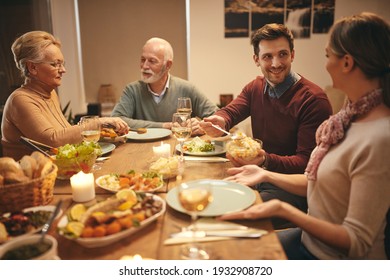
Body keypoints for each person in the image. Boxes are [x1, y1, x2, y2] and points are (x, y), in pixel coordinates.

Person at [219, 12, 390, 259]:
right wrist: (264, 172)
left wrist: (285, 210)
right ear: (257, 59)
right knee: (230, 246)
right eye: (268, 56)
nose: (325, 64)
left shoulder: (378, 137)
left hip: (330, 258)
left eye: (327, 55)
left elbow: (357, 242)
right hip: (310, 240)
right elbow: (316, 181)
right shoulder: (347, 118)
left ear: (346, 63)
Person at [200, 23, 332, 228]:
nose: (276, 63)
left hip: (290, 190)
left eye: (282, 54)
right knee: (207, 195)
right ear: (256, 59)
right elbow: (231, 111)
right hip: (257, 175)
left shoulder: (313, 100)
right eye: (267, 56)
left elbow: (307, 164)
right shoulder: (256, 87)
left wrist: (264, 160)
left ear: (293, 55)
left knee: (227, 216)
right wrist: (221, 119)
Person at [1, 31, 129, 161]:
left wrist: (105, 133)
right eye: (55, 64)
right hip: (32, 178)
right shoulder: (20, 100)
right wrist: (99, 122)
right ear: (32, 67)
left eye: (62, 64)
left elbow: (65, 132)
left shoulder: (50, 93)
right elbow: (52, 141)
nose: (63, 70)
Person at [111, 37, 218, 136]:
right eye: (143, 60)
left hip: (178, 150)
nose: (144, 66)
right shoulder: (132, 90)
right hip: (141, 152)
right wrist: (165, 126)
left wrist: (201, 125)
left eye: (152, 61)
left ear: (168, 65)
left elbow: (218, 116)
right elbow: (116, 120)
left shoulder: (187, 88)